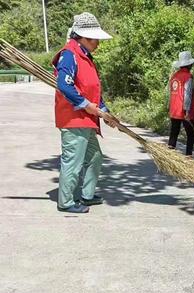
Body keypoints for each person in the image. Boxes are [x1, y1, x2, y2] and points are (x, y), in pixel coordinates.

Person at [52, 12, 117, 214]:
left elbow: (92, 89)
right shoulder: (69, 55)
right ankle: (66, 202)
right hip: (73, 119)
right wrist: (86, 105)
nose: (98, 43)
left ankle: (87, 195)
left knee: (95, 157)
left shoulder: (85, 58)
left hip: (86, 120)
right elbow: (64, 85)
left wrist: (104, 111)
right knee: (73, 160)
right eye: (95, 39)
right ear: (83, 37)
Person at [168, 51, 194, 156]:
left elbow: (171, 93)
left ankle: (170, 153)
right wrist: (186, 110)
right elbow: (187, 94)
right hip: (184, 110)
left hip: (174, 109)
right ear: (189, 65)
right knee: (191, 133)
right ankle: (188, 155)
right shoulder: (188, 77)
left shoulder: (174, 76)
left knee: (174, 132)